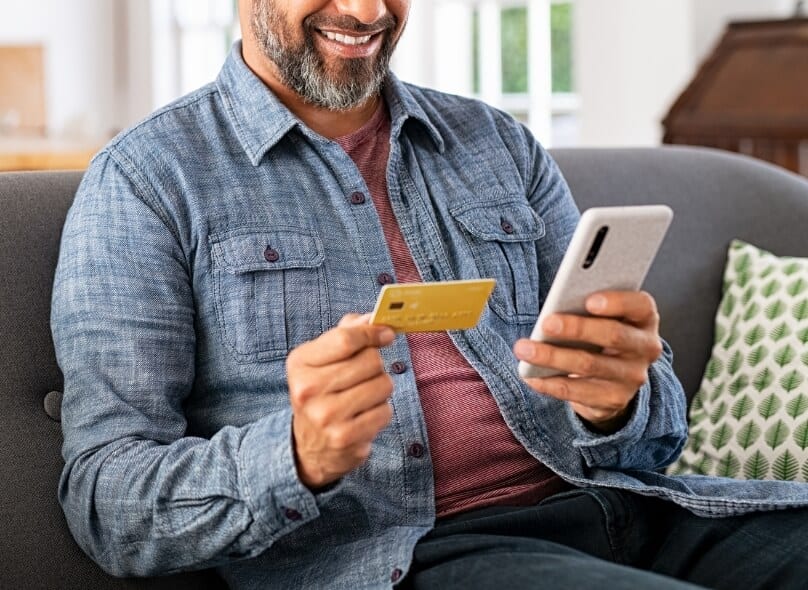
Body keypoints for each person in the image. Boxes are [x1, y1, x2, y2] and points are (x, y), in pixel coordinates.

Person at [51, 1, 808, 589]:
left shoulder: (496, 144)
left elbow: (654, 435)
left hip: (635, 508)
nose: (368, 11)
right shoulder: (147, 182)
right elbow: (105, 500)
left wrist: (618, 401)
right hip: (411, 556)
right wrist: (295, 455)